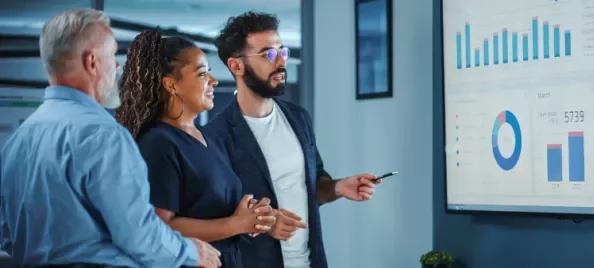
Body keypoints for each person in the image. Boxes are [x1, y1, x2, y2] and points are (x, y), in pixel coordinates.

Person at [0, 8, 222, 268]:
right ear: (92, 62)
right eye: (113, 55)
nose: (117, 66)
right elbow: (139, 235)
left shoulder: (19, 139)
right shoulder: (102, 135)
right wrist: (193, 252)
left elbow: (6, 233)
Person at [204, 12, 381, 268]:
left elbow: (313, 185)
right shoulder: (215, 136)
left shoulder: (298, 118)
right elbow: (217, 215)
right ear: (236, 66)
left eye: (282, 52)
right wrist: (265, 222)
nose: (281, 63)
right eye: (268, 55)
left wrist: (338, 187)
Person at [114, 29, 277, 268]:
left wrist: (252, 218)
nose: (213, 81)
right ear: (171, 84)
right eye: (202, 74)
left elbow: (211, 210)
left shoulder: (207, 138)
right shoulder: (158, 144)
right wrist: (235, 224)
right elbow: (160, 227)